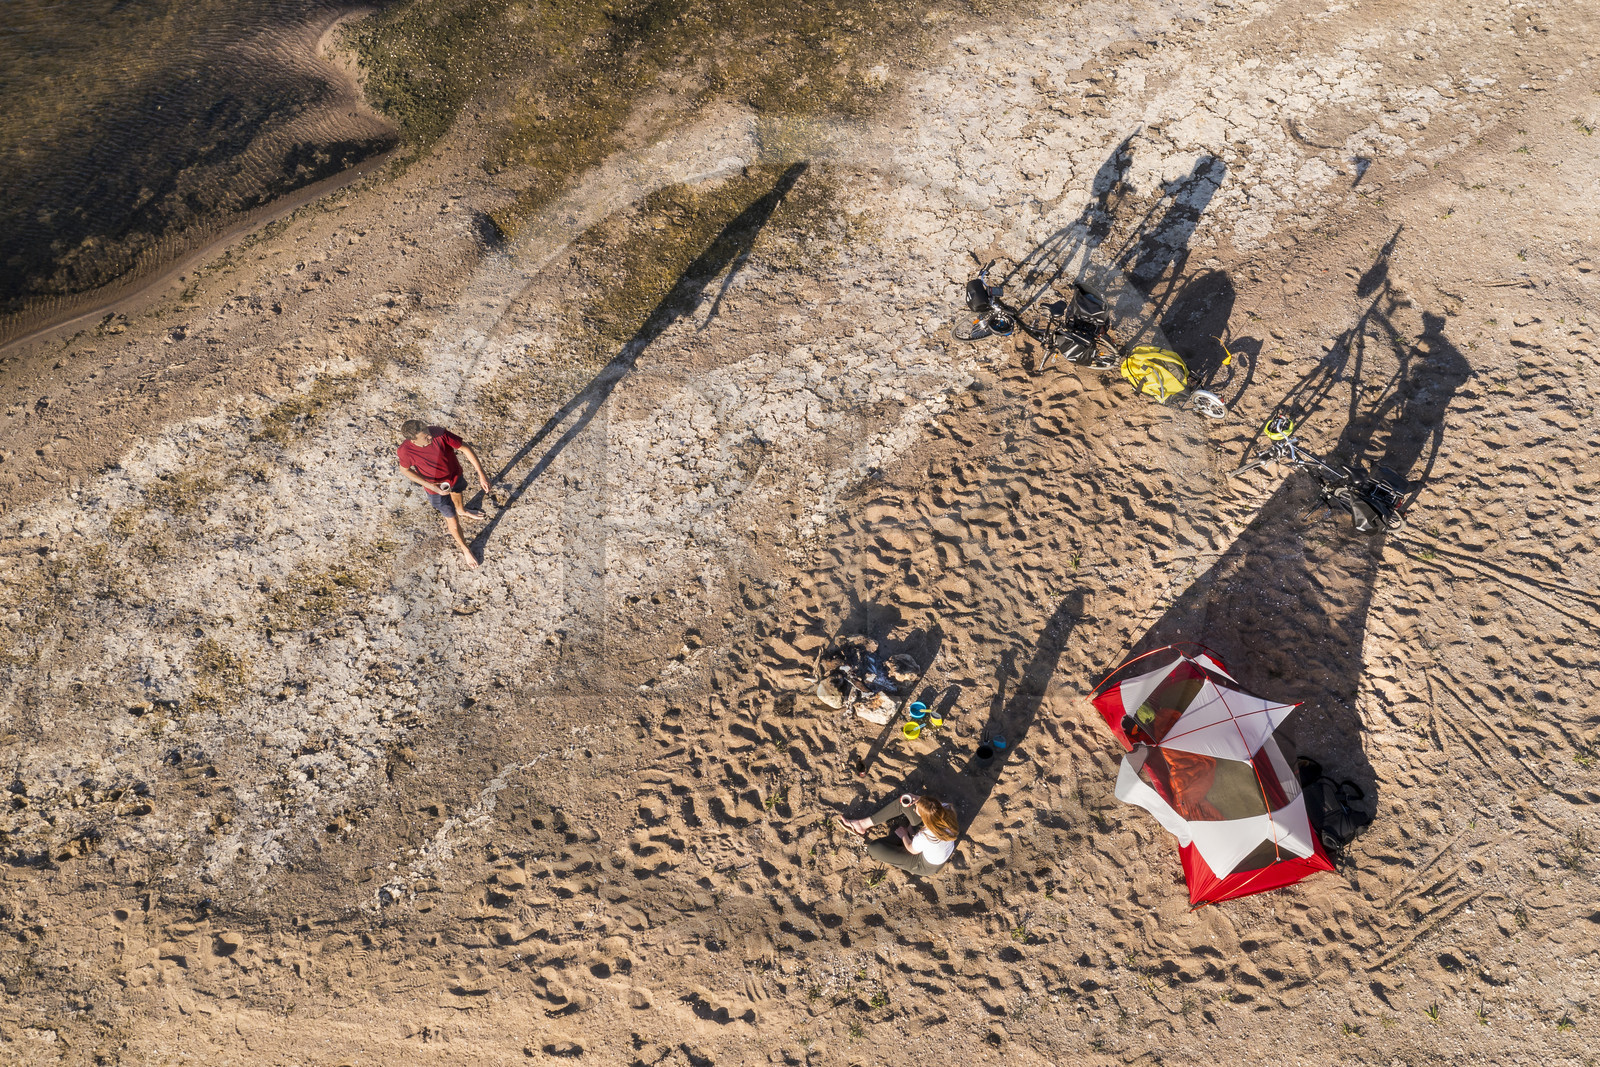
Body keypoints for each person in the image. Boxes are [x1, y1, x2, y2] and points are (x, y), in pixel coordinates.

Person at [396, 420, 492, 570]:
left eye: (428, 432)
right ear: (413, 440)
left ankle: (462, 510)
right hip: (434, 489)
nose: (430, 437)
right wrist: (431, 486)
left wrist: (481, 474)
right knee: (452, 519)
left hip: (454, 476)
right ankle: (465, 549)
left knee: (457, 494)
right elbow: (405, 470)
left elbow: (465, 448)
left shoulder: (438, 433)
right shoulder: (405, 451)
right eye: (425, 437)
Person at [841, 793, 959, 877]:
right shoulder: (946, 809)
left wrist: (904, 835)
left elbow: (912, 850)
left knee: (874, 849)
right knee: (904, 802)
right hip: (934, 844)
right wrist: (915, 798)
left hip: (924, 864)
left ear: (925, 819)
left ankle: (900, 836)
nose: (914, 809)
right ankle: (862, 824)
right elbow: (928, 805)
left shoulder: (926, 836)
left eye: (916, 810)